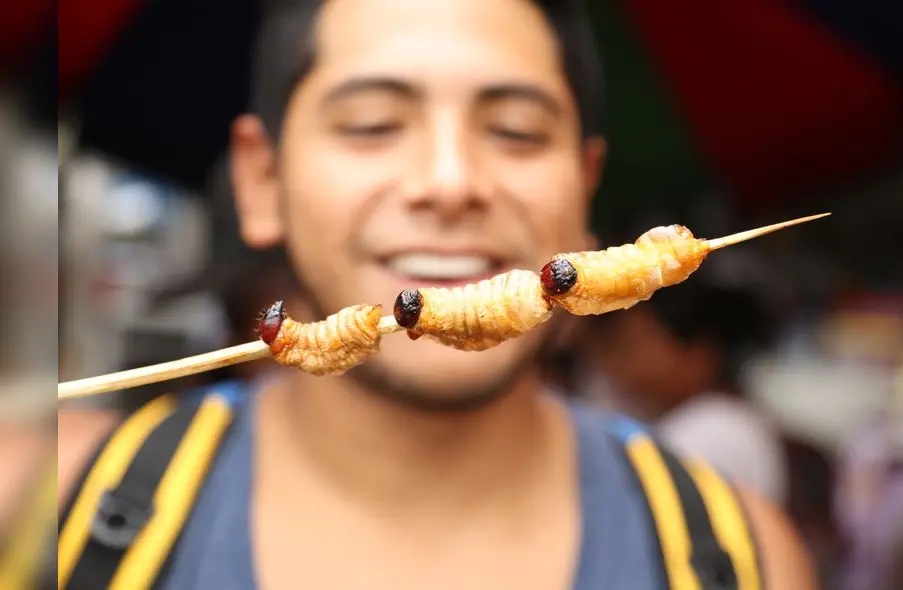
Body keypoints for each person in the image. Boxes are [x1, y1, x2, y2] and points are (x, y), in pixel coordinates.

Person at [51, 0, 817, 588]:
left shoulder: (741, 553)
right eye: (374, 123)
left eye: (516, 131)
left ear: (584, 190)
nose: (450, 183)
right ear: (263, 181)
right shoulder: (52, 504)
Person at [574, 251, 791, 506]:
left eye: (637, 342)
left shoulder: (719, 427)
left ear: (697, 353)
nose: (623, 360)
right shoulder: (661, 416)